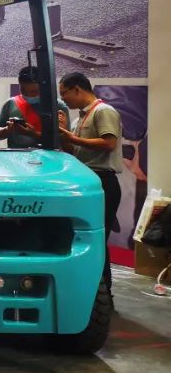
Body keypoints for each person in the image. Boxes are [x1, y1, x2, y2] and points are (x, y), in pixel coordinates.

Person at [58, 71, 124, 296]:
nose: (63, 99)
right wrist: (64, 136)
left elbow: (109, 143)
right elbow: (74, 151)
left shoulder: (103, 111)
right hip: (86, 182)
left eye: (64, 93)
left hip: (103, 182)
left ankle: (103, 294)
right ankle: (89, 291)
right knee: (84, 238)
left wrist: (72, 138)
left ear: (77, 89)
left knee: (97, 240)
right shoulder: (78, 119)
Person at [0, 66, 69, 149]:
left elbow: (66, 142)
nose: (28, 94)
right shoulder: (10, 103)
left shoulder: (57, 106)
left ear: (43, 87)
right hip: (17, 155)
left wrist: (32, 134)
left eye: (33, 91)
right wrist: (7, 130)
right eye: (23, 90)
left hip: (49, 155)